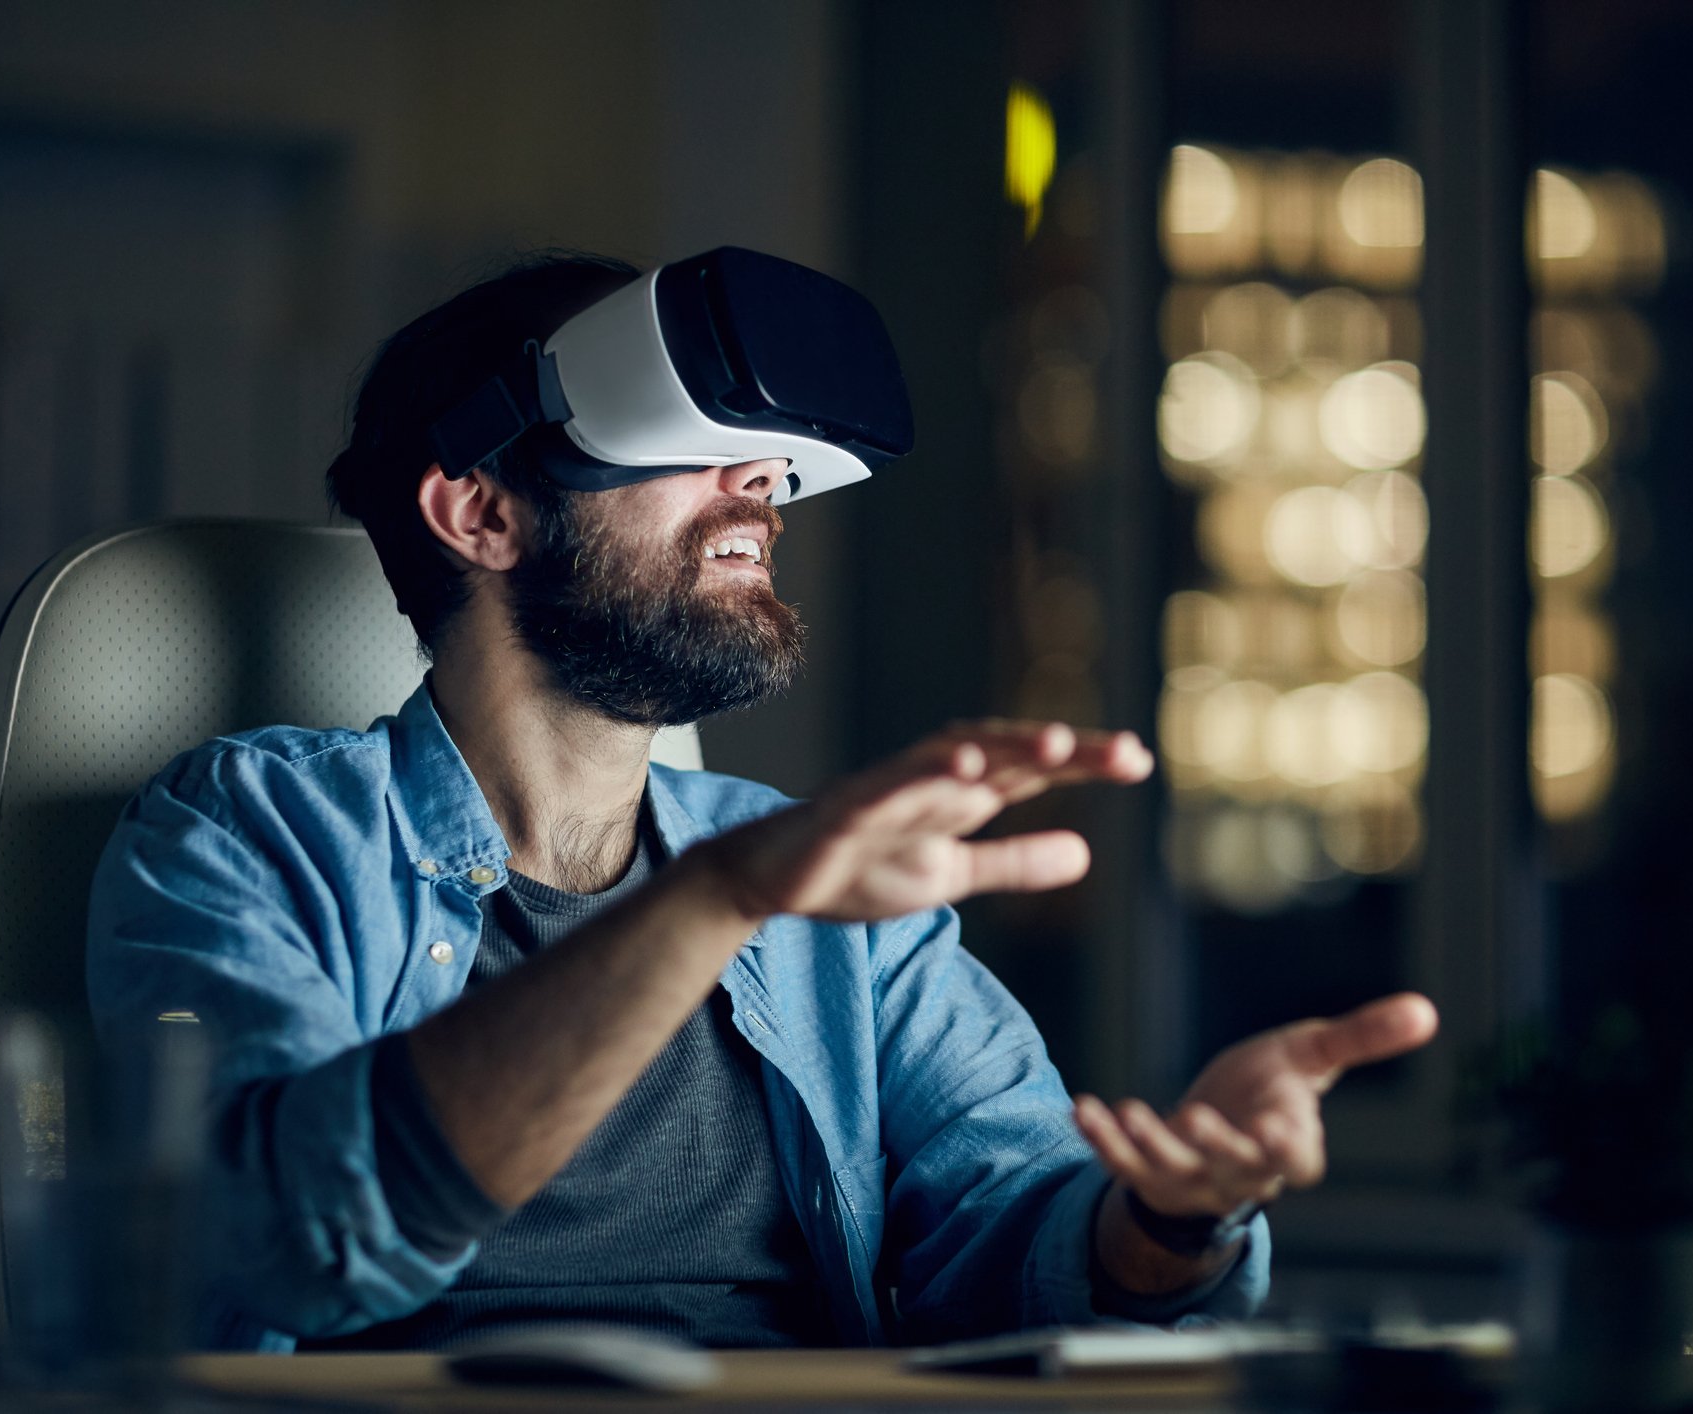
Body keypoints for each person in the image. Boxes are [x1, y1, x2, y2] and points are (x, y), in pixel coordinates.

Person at [86, 252, 1438, 1354]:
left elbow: (1018, 1257)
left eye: (772, 457)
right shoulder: (245, 836)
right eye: (683, 436)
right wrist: (711, 900)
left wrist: (1170, 1218)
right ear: (479, 515)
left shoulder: (819, 889)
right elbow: (282, 1240)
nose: (764, 487)